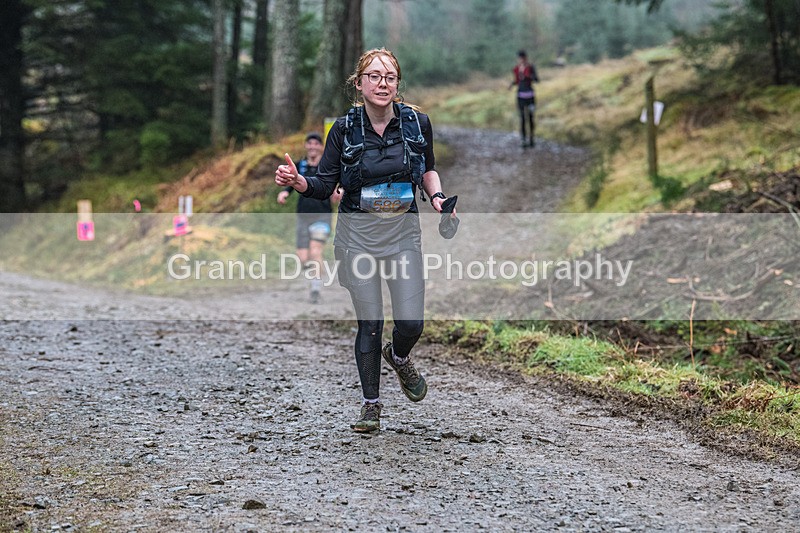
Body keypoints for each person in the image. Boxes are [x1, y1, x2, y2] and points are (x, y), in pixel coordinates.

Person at [275, 48, 456, 433]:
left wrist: (439, 198)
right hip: (357, 237)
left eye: (389, 77)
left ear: (397, 83)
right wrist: (299, 182)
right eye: (374, 76)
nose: (382, 83)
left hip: (402, 234)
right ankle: (371, 406)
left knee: (412, 323)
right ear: (359, 83)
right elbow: (325, 183)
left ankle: (400, 356)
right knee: (370, 321)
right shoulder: (343, 129)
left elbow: (428, 169)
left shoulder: (417, 123)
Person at [277, 132, 342, 304]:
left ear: (321, 147)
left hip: (322, 215)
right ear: (306, 146)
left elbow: (339, 181)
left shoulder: (328, 166)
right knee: (303, 257)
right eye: (310, 143)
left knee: (315, 251)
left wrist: (340, 190)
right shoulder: (300, 165)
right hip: (303, 216)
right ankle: (315, 271)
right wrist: (284, 192)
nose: (313, 146)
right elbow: (292, 182)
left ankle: (315, 288)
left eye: (316, 143)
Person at [509, 49, 540, 148]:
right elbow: (517, 81)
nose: (521, 60)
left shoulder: (530, 68)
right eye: (520, 58)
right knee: (522, 118)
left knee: (530, 117)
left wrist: (528, 76)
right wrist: (511, 84)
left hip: (530, 96)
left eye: (522, 58)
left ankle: (531, 138)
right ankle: (523, 139)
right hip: (520, 96)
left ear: (526, 58)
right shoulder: (516, 69)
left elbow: (537, 79)